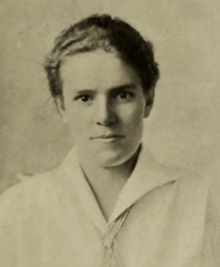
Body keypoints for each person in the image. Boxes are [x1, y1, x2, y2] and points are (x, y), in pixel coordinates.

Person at [0, 14, 219, 267]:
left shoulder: (201, 202)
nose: (104, 117)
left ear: (148, 100)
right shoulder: (17, 210)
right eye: (85, 98)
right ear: (61, 106)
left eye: (122, 95)